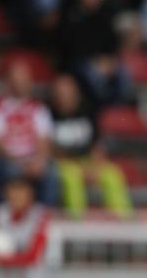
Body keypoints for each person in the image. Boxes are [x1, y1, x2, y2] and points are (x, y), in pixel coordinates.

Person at [49, 74, 132, 218]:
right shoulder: (49, 115)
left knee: (112, 174)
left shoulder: (88, 112)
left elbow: (97, 144)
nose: (64, 96)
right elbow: (50, 148)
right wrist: (78, 167)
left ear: (75, 93)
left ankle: (125, 222)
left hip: (88, 161)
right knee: (72, 178)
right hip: (63, 163)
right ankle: (77, 224)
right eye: (60, 92)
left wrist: (94, 166)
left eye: (67, 92)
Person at [59, 0, 133, 106]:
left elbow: (111, 42)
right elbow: (70, 47)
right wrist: (96, 61)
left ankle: (122, 105)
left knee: (123, 71)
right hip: (78, 63)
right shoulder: (70, 14)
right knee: (92, 73)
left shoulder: (106, 13)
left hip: (103, 61)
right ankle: (105, 104)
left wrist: (109, 61)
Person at [0, 60, 57, 206]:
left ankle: (44, 218)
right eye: (16, 79)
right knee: (9, 170)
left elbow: (44, 141)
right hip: (8, 160)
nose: (20, 83)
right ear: (8, 81)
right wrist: (19, 163)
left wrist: (39, 161)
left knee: (50, 172)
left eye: (24, 79)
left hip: (33, 160)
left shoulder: (39, 108)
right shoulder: (1, 107)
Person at [0, 176, 49, 268]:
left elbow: (34, 256)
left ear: (30, 196)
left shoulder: (40, 216)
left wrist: (4, 260)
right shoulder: (1, 214)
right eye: (13, 196)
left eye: (20, 195)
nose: (17, 199)